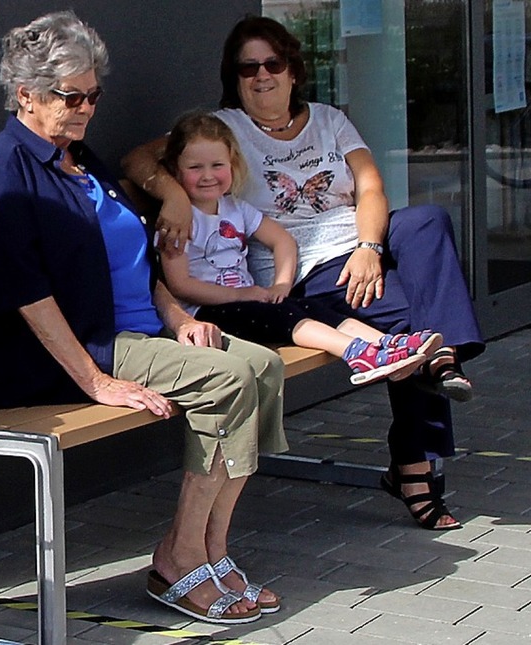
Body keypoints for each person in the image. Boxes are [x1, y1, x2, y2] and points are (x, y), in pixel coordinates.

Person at [0, 11, 288, 624]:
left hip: (137, 329)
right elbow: (25, 293)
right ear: (25, 94)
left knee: (264, 367)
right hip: (69, 353)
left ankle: (212, 548)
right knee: (227, 377)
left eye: (93, 94)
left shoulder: (81, 160)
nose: (85, 108)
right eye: (70, 96)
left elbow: (135, 259)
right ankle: (178, 557)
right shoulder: (3, 171)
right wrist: (95, 380)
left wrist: (175, 313)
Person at [122, 16, 486, 530]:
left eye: (272, 63)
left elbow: (372, 187)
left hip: (360, 248)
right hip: (307, 272)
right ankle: (415, 459)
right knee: (414, 320)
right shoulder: (224, 127)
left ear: (293, 69)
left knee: (427, 220)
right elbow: (137, 158)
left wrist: (368, 246)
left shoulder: (330, 120)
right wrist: (175, 194)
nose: (261, 75)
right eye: (248, 68)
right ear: (235, 77)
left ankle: (441, 361)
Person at [160, 110, 444, 386]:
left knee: (314, 307)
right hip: (207, 313)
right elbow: (180, 285)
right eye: (195, 167)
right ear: (176, 170)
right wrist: (240, 293)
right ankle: (356, 354)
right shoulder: (178, 221)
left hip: (251, 302)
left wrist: (281, 284)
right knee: (287, 315)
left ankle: (386, 344)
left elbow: (282, 240)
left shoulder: (236, 209)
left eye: (217, 165)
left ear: (232, 165)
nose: (208, 175)